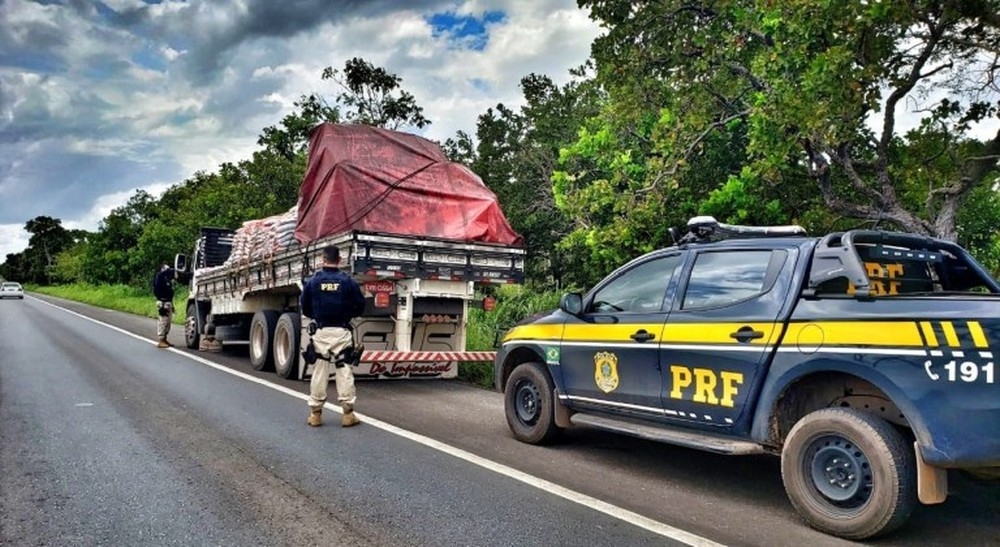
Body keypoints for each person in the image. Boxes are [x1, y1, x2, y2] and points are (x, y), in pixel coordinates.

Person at [300, 245, 366, 428]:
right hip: (341, 330)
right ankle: (347, 413)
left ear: (323, 259)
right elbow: (360, 306)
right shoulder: (348, 282)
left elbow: (304, 306)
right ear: (340, 260)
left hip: (321, 331)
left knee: (319, 370)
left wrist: (316, 315)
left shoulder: (313, 282)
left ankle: (315, 414)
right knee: (343, 369)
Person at [152, 264, 176, 349]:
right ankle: (161, 340)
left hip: (168, 302)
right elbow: (156, 291)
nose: (168, 270)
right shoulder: (159, 278)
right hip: (162, 302)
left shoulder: (167, 280)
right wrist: (161, 305)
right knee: (163, 321)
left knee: (168, 322)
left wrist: (172, 306)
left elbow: (170, 293)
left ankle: (165, 339)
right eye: (166, 269)